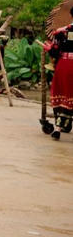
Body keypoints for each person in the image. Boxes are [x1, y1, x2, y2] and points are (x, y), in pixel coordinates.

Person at [45, 7, 73, 140]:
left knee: (62, 96)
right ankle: (60, 126)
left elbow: (54, 52)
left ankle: (58, 128)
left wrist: (49, 49)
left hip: (63, 66)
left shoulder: (61, 32)